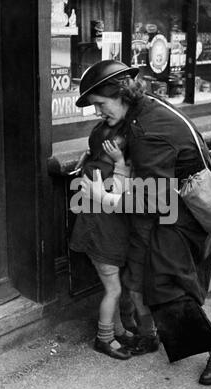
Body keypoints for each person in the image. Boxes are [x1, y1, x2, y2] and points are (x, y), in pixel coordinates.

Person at [75, 60, 211, 385]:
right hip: (179, 211)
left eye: (100, 104)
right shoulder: (146, 109)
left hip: (180, 216)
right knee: (162, 282)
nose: (98, 113)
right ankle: (156, 337)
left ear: (119, 94)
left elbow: (154, 199)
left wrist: (102, 197)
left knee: (165, 286)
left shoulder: (146, 130)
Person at [69, 126, 135, 361]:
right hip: (99, 240)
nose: (123, 145)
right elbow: (118, 196)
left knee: (115, 288)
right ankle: (104, 337)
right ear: (106, 148)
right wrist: (120, 163)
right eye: (117, 144)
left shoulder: (96, 166)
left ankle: (117, 330)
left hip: (106, 238)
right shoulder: (99, 171)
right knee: (113, 289)